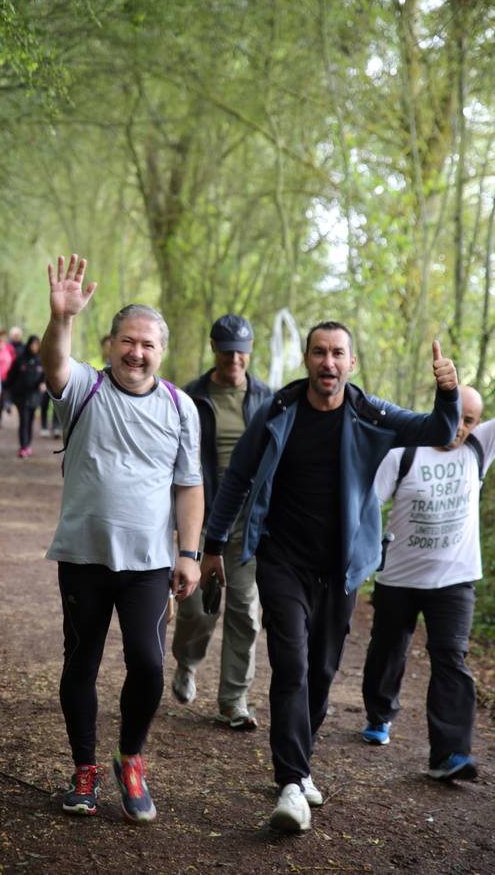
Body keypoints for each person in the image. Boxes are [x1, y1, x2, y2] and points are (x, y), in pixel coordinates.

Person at [199, 321, 459, 833]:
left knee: (321, 672)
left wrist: (447, 391)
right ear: (307, 359)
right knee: (291, 664)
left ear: (351, 363)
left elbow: (440, 431)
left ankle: (303, 758)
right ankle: (291, 782)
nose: (328, 363)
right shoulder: (278, 411)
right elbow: (238, 478)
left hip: (340, 570)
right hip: (282, 561)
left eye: (338, 353)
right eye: (319, 353)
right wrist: (211, 546)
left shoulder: (370, 413)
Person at [41, 253, 204, 824]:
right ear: (110, 345)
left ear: (162, 352)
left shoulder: (182, 409)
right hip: (84, 555)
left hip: (149, 564)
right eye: (127, 342)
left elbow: (189, 485)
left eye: (148, 345)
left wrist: (188, 553)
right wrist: (61, 318)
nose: (137, 353)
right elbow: (54, 363)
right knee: (80, 661)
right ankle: (83, 768)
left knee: (149, 664)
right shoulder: (85, 387)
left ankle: (128, 758)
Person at [361, 385, 494, 781]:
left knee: (451, 656)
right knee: (388, 648)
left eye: (470, 421)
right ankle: (379, 714)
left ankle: (450, 754)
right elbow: (367, 506)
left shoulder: (478, 449)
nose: (460, 428)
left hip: (454, 579)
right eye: (456, 417)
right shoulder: (403, 454)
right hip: (399, 576)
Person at [171, 314, 272, 728]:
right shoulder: (191, 397)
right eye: (227, 350)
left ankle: (234, 699)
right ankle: (187, 662)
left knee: (246, 610)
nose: (235, 359)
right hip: (204, 514)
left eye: (241, 351)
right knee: (197, 608)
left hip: (248, 521)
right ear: (214, 348)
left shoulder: (268, 399)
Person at [4, 335, 46, 457]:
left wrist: (43, 384)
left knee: (30, 421)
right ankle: (23, 446)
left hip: (35, 397)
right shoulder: (20, 359)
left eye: (37, 345)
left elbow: (46, 376)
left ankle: (28, 445)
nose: (34, 347)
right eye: (32, 344)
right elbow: (11, 376)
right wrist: (4, 387)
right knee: (24, 420)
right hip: (21, 396)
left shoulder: (42, 360)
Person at [0, 329, 17, 426]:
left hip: (5, 377)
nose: (2, 338)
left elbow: (14, 360)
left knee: (1, 397)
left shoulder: (9, 348)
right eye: (0, 336)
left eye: (4, 336)